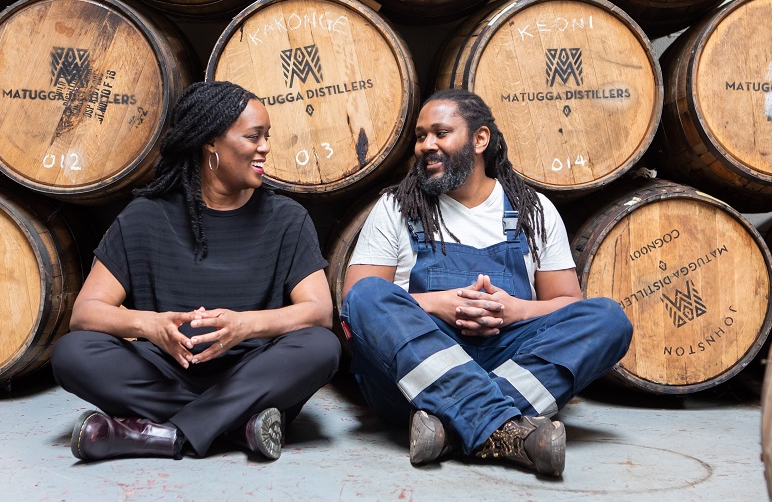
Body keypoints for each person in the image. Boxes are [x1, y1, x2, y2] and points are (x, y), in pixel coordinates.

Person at [341, 89, 632, 477]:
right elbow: (355, 302)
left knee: (609, 319)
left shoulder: (532, 209)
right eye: (421, 136)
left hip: (504, 354)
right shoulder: (398, 207)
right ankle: (501, 427)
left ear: (480, 140)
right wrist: (437, 304)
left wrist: (518, 310)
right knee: (367, 295)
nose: (427, 145)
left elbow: (567, 302)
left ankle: (448, 425)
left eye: (441, 133)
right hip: (420, 365)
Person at [51, 81, 341, 462]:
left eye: (267, 136)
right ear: (211, 143)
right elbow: (86, 313)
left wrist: (246, 326)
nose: (265, 147)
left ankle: (161, 435)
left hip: (251, 371)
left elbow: (318, 311)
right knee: (73, 353)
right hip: (167, 370)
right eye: (254, 136)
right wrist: (149, 326)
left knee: (321, 347)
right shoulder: (146, 216)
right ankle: (238, 426)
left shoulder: (286, 218)